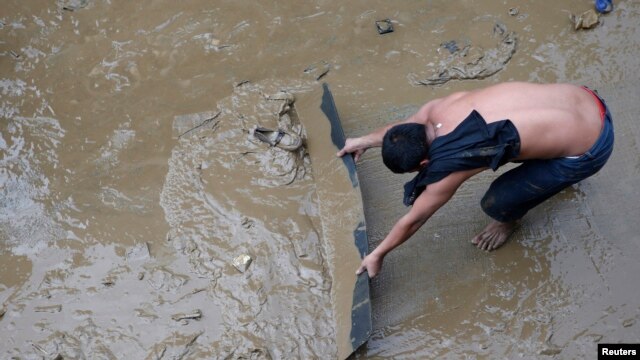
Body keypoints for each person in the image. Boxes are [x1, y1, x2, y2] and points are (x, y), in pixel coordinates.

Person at [337, 82, 614, 278]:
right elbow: (396, 131)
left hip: (593, 148)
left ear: (424, 164)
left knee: (498, 198)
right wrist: (361, 142)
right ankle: (548, 151)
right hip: (585, 98)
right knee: (516, 143)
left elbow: (415, 218)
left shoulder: (450, 164)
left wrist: (377, 254)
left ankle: (508, 221)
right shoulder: (437, 110)